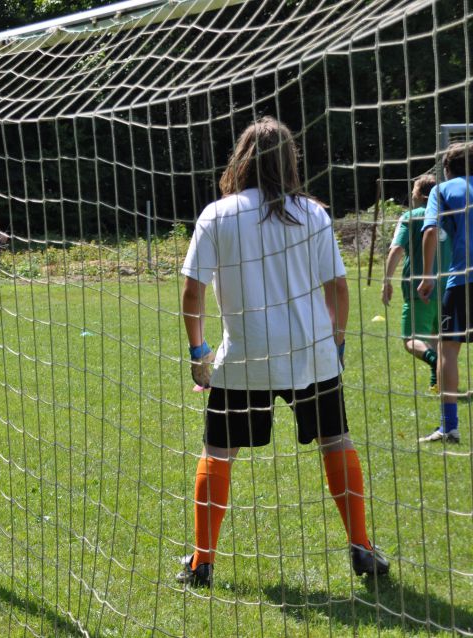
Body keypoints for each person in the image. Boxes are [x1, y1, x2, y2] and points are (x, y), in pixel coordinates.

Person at [177, 117, 389, 587]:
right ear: (290, 161)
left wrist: (199, 351)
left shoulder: (218, 214)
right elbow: (338, 286)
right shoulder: (314, 214)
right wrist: (335, 342)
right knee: (336, 440)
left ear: (241, 158)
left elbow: (193, 292)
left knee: (219, 451)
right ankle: (361, 547)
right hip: (311, 352)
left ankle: (201, 562)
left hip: (245, 355)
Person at [418, 141, 473, 443]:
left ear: (447, 169)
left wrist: (427, 275)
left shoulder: (443, 190)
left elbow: (429, 230)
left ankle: (449, 426)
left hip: (463, 278)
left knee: (447, 349)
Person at [381, 174, 449, 392]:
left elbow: (397, 249)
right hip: (448, 289)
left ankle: (433, 363)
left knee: (410, 340)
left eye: (413, 191)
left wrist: (387, 280)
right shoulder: (449, 215)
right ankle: (438, 383)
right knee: (436, 338)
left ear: (418, 194)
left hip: (420, 289)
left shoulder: (411, 216)